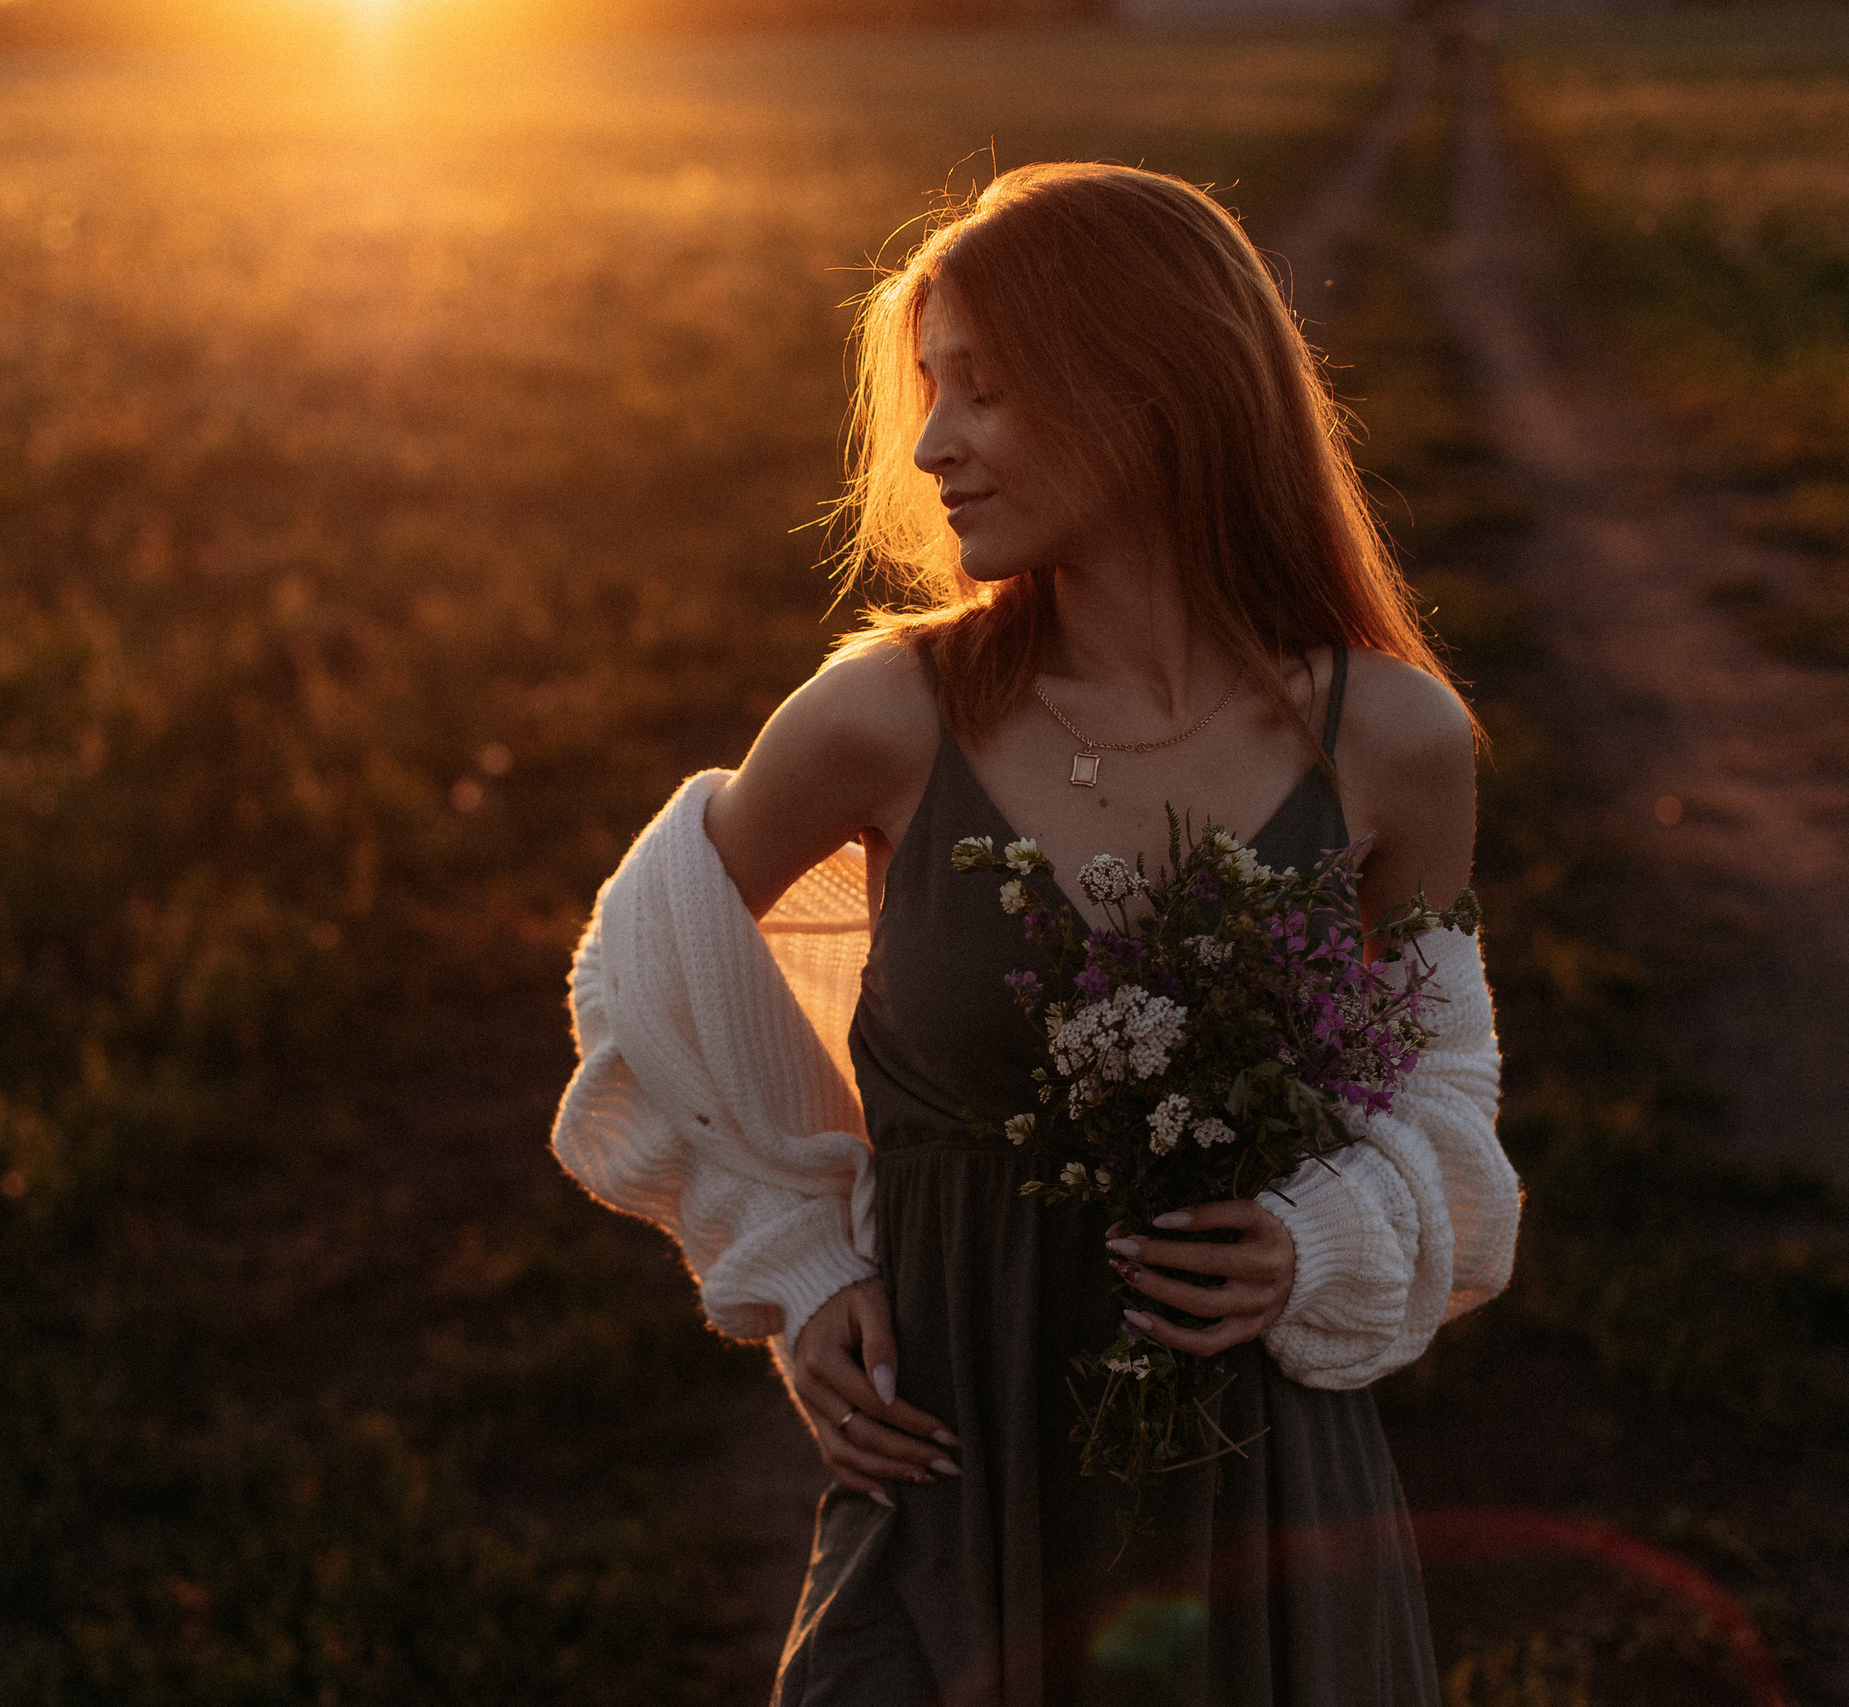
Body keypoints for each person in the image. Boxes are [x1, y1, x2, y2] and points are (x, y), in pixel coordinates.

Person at [553, 161, 1515, 1707]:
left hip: (1252, 1495)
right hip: (950, 1479)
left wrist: (1316, 1238)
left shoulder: (1395, 744)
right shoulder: (885, 715)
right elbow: (647, 967)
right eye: (930, 391)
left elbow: (1445, 1106)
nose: (930, 446)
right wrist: (797, 1263)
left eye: (982, 393)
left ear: (1153, 393)